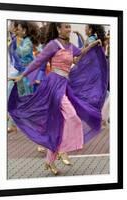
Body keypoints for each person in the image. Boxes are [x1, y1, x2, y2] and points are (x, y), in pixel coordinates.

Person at [8, 23, 108, 175]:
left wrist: (95, 43)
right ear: (58, 29)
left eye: (69, 27)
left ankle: (49, 161)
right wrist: (22, 76)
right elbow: (38, 61)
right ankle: (62, 150)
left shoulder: (69, 46)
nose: (69, 29)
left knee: (59, 124)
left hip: (64, 84)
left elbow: (79, 55)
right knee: (72, 116)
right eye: (66, 27)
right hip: (53, 86)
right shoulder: (53, 44)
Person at [7, 21, 39, 133]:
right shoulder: (17, 40)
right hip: (20, 73)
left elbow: (22, 53)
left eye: (18, 28)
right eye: (16, 28)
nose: (17, 30)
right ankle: (12, 124)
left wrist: (15, 41)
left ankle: (34, 125)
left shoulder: (28, 42)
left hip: (28, 74)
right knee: (11, 94)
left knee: (26, 99)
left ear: (24, 30)